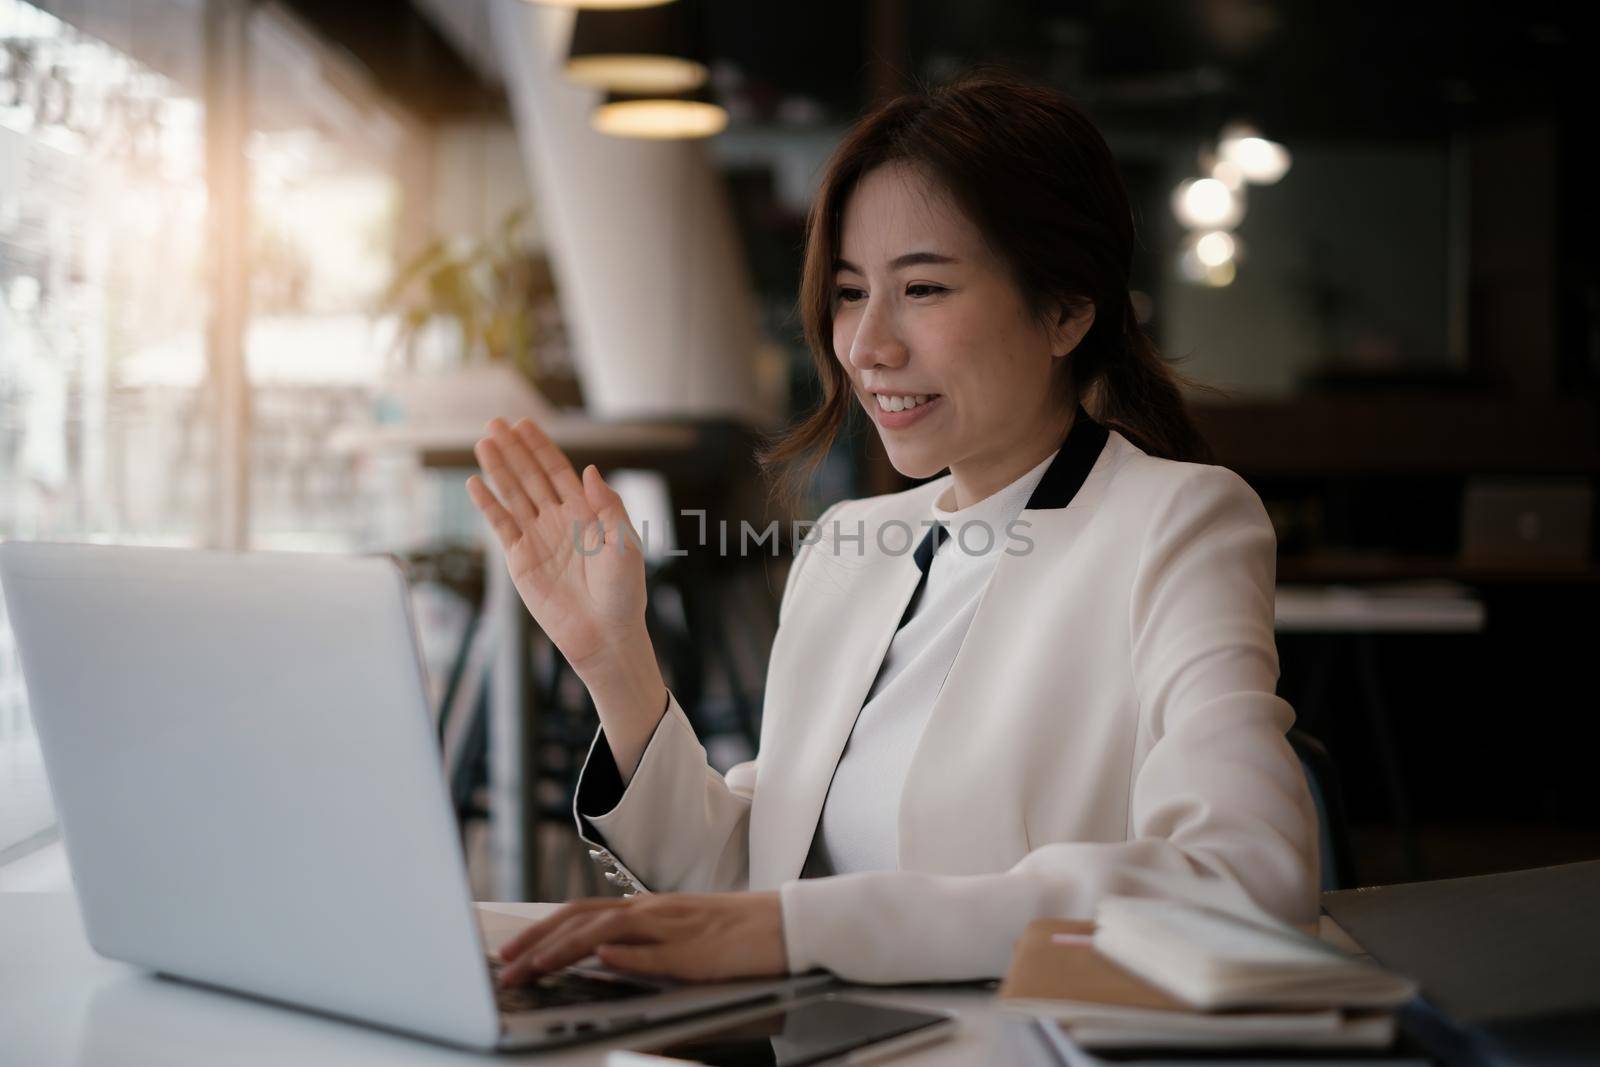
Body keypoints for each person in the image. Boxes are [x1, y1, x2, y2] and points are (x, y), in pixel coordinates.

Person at [465, 68, 1318, 988]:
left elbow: (1249, 878)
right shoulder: (848, 545)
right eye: (847, 292)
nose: (868, 346)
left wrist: (809, 931)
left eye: (923, 289)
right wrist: (615, 662)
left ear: (1068, 309)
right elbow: (753, 885)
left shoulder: (1175, 522)